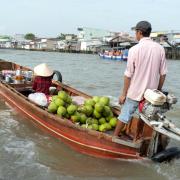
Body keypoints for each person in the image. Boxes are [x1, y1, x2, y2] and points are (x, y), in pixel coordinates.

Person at [113, 21, 167, 140]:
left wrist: (123, 94)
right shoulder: (160, 49)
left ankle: (114, 137)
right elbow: (163, 74)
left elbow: (128, 75)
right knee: (144, 117)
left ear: (140, 32)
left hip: (135, 91)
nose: (135, 35)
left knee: (125, 115)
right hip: (150, 94)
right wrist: (158, 90)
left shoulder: (134, 50)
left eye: (135, 32)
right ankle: (137, 138)